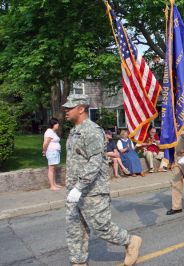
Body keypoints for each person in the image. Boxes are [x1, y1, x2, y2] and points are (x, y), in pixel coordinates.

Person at [63, 94, 141, 266]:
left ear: (81, 109)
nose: (66, 111)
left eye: (70, 108)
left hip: (93, 191)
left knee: (101, 228)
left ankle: (130, 241)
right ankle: (78, 262)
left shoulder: (91, 130)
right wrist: (73, 189)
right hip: (74, 191)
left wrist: (79, 186)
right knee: (75, 229)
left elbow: (95, 162)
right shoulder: (75, 130)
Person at [42, 117, 62, 191]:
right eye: (56, 123)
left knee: (53, 169)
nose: (58, 124)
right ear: (53, 124)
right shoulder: (49, 132)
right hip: (51, 152)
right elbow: (45, 143)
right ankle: (52, 186)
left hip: (55, 152)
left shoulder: (53, 132)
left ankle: (54, 184)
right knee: (51, 169)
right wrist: (44, 151)